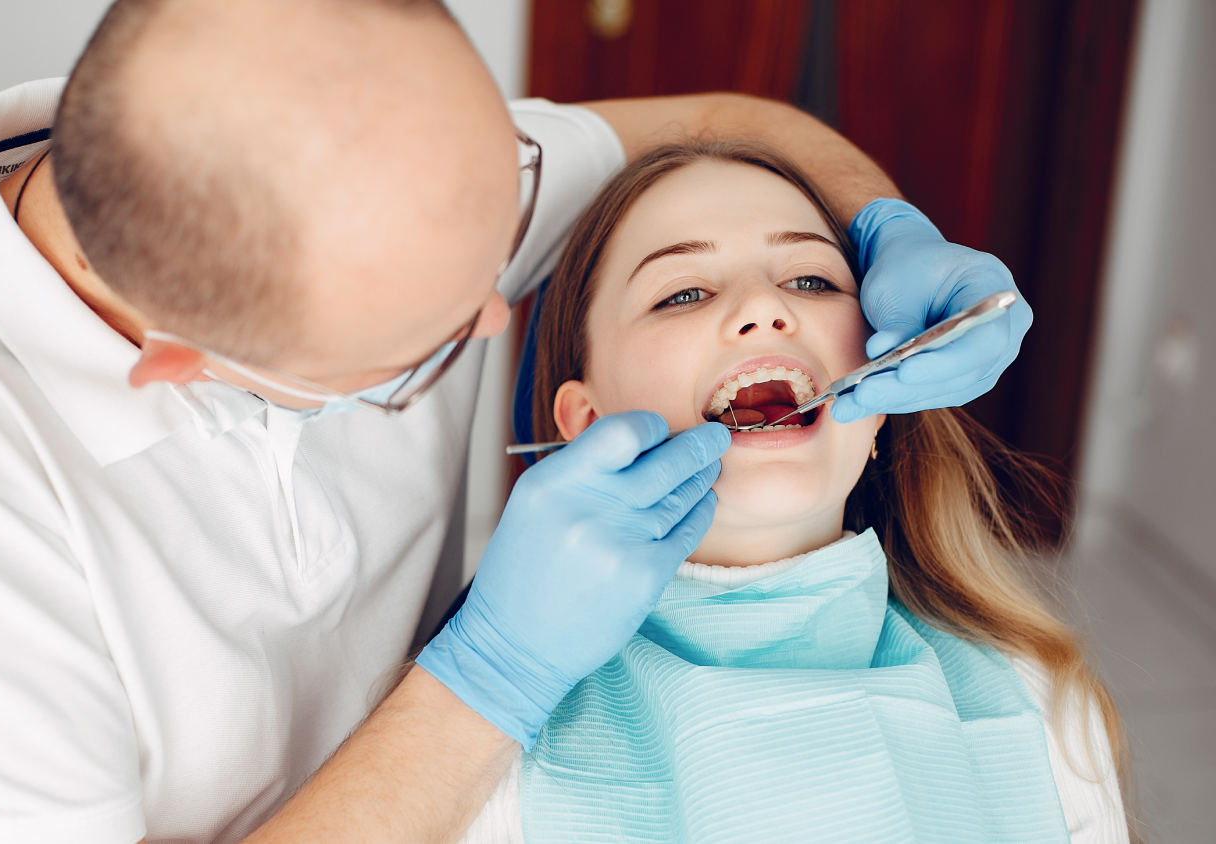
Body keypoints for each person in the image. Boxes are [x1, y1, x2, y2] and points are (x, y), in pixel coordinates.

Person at [0, 2, 1033, 843]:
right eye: (422, 344)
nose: (499, 317)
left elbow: (739, 131)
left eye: (808, 284)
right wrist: (492, 678)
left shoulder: (375, 152)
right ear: (176, 360)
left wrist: (879, 226)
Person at [451, 138, 1127, 843]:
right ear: (588, 425)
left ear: (881, 405)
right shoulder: (482, 767)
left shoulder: (1042, 704)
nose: (764, 308)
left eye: (811, 280)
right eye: (683, 292)